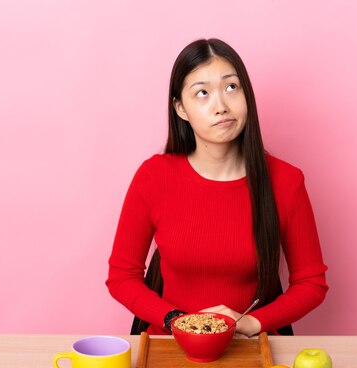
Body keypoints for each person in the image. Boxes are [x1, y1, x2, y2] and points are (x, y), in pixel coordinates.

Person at [106, 38, 328, 338]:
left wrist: (250, 323)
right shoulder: (153, 176)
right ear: (181, 108)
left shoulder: (286, 181)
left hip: (249, 347)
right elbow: (122, 276)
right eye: (202, 93)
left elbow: (311, 283)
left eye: (231, 87)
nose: (221, 106)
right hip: (168, 345)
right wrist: (176, 320)